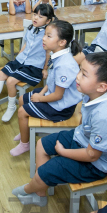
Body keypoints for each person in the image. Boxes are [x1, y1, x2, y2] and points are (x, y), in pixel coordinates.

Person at [12, 52, 107, 206]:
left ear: (102, 86)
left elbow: (92, 155)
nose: (77, 77)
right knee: (42, 145)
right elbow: (84, 120)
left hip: (98, 164)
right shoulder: (92, 94)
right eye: (80, 70)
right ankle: (40, 193)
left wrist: (63, 152)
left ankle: (29, 188)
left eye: (84, 74)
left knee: (45, 171)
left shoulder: (105, 115)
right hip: (84, 139)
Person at [11, 20, 83, 156]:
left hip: (61, 108)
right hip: (53, 94)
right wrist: (42, 94)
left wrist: (40, 98)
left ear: (61, 42)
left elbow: (58, 96)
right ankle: (24, 132)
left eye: (49, 36)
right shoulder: (58, 55)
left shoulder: (64, 64)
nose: (43, 38)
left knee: (21, 111)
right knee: (22, 99)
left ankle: (25, 145)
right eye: (45, 34)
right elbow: (51, 83)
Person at [0, 4, 55, 122]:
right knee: (0, 75)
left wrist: (45, 69)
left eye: (40, 17)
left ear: (48, 20)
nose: (35, 18)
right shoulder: (31, 28)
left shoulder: (48, 34)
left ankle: (11, 107)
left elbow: (48, 53)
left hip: (33, 66)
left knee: (10, 81)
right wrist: (18, 57)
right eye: (35, 14)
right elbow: (26, 44)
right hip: (21, 60)